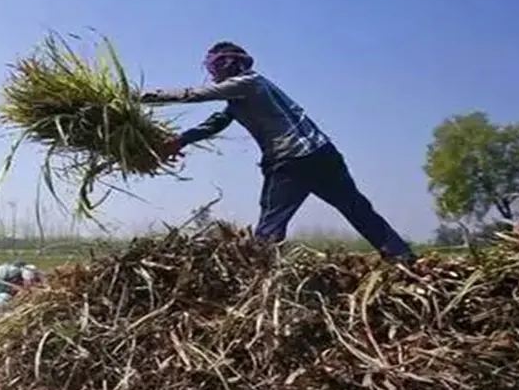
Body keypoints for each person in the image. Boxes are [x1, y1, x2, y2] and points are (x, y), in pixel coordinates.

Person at [141, 41, 416, 263]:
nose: (212, 73)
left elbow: (194, 94)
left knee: (269, 227)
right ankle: (401, 255)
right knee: (356, 208)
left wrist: (141, 97)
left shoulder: (247, 83)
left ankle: (261, 281)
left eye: (215, 66)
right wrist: (181, 140)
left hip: (291, 160)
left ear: (229, 65)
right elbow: (217, 122)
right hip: (324, 154)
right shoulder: (248, 92)